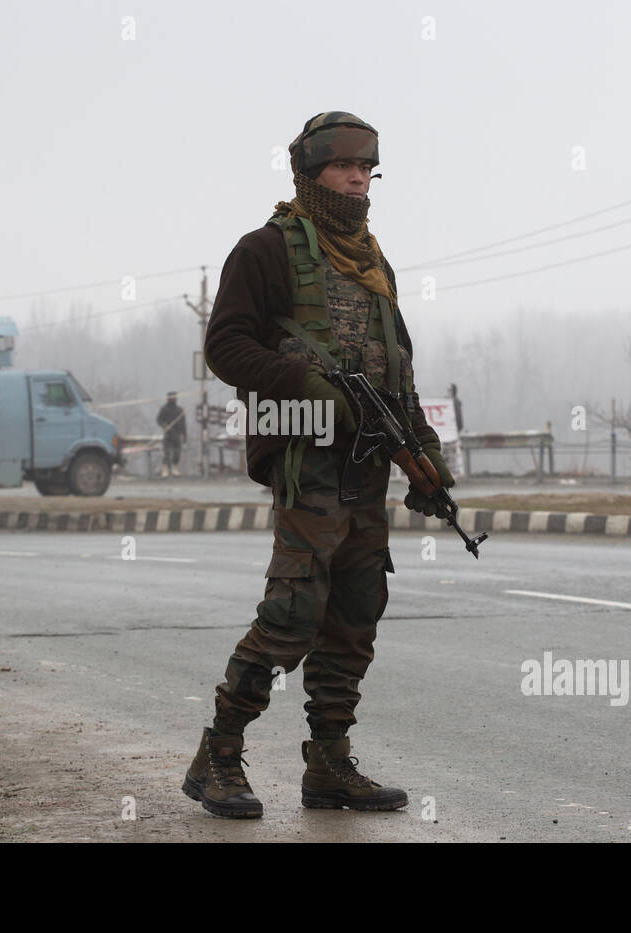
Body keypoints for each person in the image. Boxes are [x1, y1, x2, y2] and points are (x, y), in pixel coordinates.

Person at [182, 112, 455, 818]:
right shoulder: (265, 250)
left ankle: (330, 763)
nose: (359, 178)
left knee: (355, 610)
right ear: (310, 171)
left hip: (368, 465)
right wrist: (303, 383)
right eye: (344, 167)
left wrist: (423, 451)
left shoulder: (370, 258)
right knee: (294, 609)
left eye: (368, 168)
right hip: (307, 457)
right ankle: (219, 752)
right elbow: (226, 347)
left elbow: (397, 367)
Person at [156, 391, 186, 477]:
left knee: (177, 452)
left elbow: (183, 424)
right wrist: (165, 426)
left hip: (177, 434)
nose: (173, 399)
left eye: (174, 397)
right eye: (171, 397)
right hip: (168, 434)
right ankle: (165, 469)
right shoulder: (164, 409)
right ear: (168, 398)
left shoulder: (179, 410)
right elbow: (159, 420)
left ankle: (174, 467)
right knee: (166, 452)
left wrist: (184, 434)